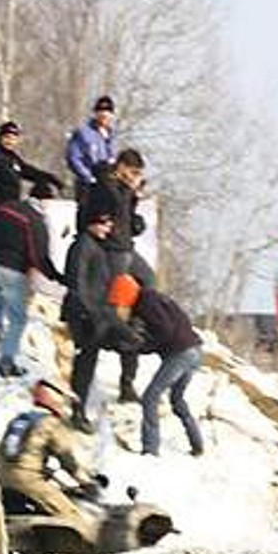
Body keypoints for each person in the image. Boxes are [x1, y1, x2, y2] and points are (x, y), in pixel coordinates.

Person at [107, 273, 205, 457]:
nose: (120, 309)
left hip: (181, 353)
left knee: (150, 397)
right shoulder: (153, 298)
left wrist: (141, 345)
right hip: (195, 350)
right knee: (177, 400)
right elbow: (168, 329)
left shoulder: (146, 303)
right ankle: (197, 444)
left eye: (120, 304)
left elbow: (164, 332)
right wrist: (141, 346)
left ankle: (150, 450)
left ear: (125, 296)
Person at [60, 183, 133, 432]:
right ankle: (77, 411)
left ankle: (81, 408)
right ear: (91, 223)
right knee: (84, 365)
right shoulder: (83, 246)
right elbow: (77, 282)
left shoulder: (95, 246)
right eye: (104, 223)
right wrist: (87, 313)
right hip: (85, 315)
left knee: (89, 364)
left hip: (95, 314)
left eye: (110, 223)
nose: (108, 227)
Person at [0, 379, 103, 546]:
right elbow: (68, 459)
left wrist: (43, 469)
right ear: (54, 398)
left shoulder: (20, 419)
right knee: (73, 516)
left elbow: (11, 454)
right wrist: (87, 482)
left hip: (1, 479)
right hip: (27, 481)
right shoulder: (50, 422)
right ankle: (89, 548)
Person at [0, 180, 65, 377]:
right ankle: (6, 362)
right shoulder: (36, 220)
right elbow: (38, 255)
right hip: (12, 270)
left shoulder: (6, 207)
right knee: (18, 319)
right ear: (45, 201)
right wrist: (56, 276)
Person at [98, 147, 157, 403]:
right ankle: (122, 332)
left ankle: (140, 322)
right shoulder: (107, 185)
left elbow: (126, 215)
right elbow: (110, 207)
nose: (134, 178)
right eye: (132, 173)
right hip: (112, 250)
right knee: (122, 303)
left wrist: (135, 214)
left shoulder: (123, 190)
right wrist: (128, 191)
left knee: (149, 280)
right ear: (121, 168)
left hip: (126, 247)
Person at [0, 120, 62, 210]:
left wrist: (50, 178)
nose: (10, 142)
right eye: (7, 137)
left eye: (13, 139)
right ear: (0, 137)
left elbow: (26, 170)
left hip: (11, 204)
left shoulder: (11, 156)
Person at [65, 94, 119, 229]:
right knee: (86, 219)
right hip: (88, 185)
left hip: (106, 185)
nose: (104, 116)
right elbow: (73, 158)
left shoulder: (110, 135)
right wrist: (89, 177)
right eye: (101, 112)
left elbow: (112, 158)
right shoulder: (84, 133)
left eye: (108, 113)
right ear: (95, 113)